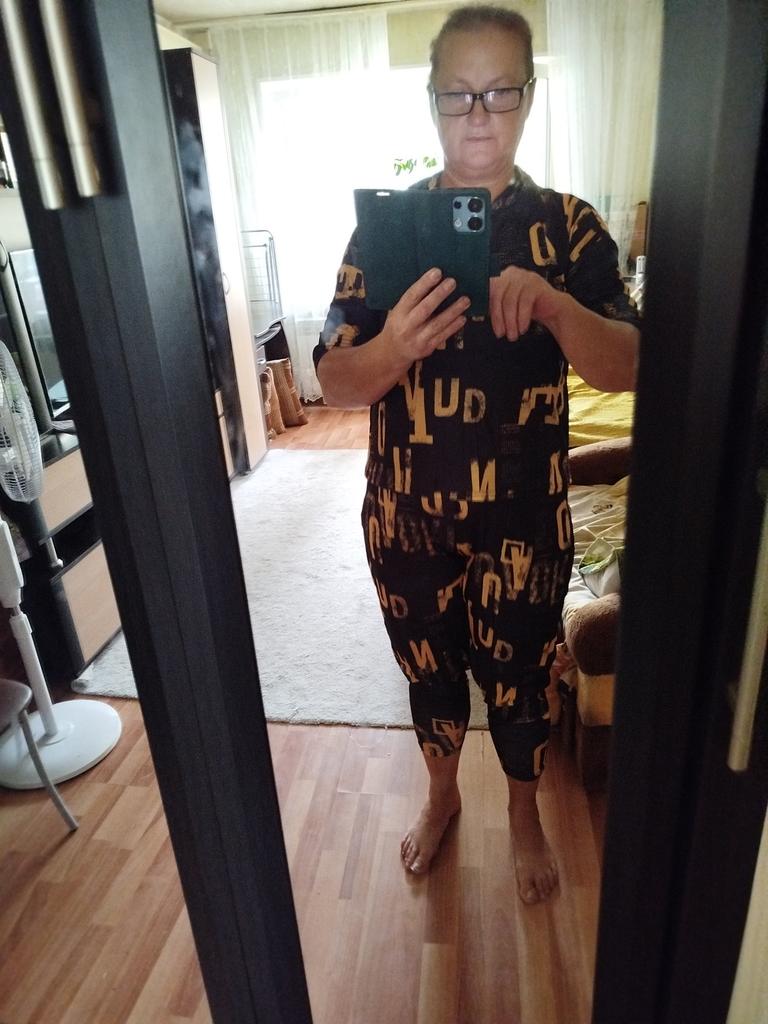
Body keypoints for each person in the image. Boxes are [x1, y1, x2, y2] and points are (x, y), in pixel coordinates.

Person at [313, 4, 639, 904]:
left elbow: (629, 365)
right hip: (404, 516)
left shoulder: (570, 228)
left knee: (523, 680)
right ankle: (443, 795)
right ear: (431, 101)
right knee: (429, 671)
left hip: (524, 519)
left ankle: (524, 815)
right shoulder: (384, 233)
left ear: (528, 95)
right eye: (457, 95)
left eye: (500, 91)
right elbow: (333, 378)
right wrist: (393, 348)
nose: (479, 115)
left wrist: (555, 306)